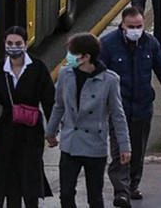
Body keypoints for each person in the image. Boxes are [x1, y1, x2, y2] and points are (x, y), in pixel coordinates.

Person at [0, 26, 56, 208]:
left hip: (32, 132)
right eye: (10, 43)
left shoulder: (38, 68)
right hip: (6, 132)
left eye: (18, 43)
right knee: (9, 182)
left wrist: (52, 130)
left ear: (25, 44)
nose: (14, 47)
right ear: (4, 44)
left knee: (30, 179)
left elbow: (49, 101)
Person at [99, 7, 161, 207]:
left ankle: (133, 185)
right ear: (122, 26)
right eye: (131, 27)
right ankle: (122, 190)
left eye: (139, 26)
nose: (136, 30)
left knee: (137, 150)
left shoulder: (150, 44)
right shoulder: (108, 45)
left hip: (143, 107)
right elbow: (98, 77)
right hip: (118, 109)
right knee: (120, 151)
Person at [45, 33, 131, 208]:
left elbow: (118, 115)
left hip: (95, 146)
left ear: (86, 57)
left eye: (72, 53)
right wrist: (50, 131)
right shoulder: (65, 74)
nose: (68, 57)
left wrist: (124, 146)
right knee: (66, 194)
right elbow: (59, 105)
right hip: (70, 144)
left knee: (95, 197)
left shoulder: (109, 80)